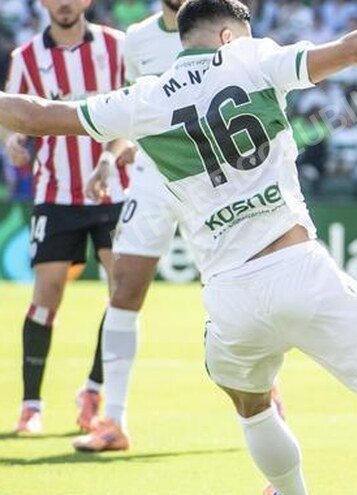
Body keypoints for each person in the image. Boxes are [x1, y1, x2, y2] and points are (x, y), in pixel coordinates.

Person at [0, 0, 357, 492]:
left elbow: (36, 115)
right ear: (227, 36)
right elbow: (356, 47)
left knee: (253, 408)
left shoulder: (144, 99)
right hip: (296, 266)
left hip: (228, 297)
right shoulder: (252, 57)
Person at [71, 0, 287, 454]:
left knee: (244, 290)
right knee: (124, 289)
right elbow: (131, 110)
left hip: (211, 181)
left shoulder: (219, 26)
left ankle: (272, 409)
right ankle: (114, 420)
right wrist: (111, 155)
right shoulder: (137, 39)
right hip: (153, 178)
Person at [3, 0, 127, 436]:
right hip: (55, 193)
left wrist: (111, 158)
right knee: (47, 294)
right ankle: (31, 405)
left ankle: (93, 390)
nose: (65, 3)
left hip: (114, 190)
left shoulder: (117, 47)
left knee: (122, 292)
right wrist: (11, 141)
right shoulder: (26, 57)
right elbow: (10, 115)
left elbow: (132, 113)